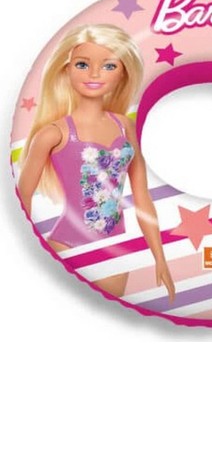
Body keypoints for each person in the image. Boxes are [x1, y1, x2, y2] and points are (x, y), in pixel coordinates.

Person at [18, 23, 175, 301]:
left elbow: (142, 197)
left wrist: (160, 257)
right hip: (67, 244)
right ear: (66, 69)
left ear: (123, 72)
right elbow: (21, 197)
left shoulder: (126, 127)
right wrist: (24, 252)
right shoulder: (53, 134)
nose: (93, 74)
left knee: (104, 316)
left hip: (116, 246)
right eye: (82, 64)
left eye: (108, 66)